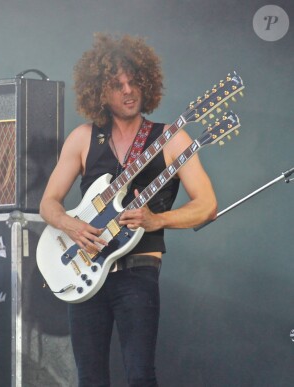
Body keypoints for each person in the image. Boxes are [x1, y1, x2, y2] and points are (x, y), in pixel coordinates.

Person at [39, 33, 217, 386]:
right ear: (100, 92)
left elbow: (208, 206)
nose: (128, 91)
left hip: (138, 271)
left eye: (134, 82)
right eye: (117, 84)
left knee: (139, 375)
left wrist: (157, 219)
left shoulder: (171, 138)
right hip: (84, 271)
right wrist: (71, 226)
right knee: (90, 378)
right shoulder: (83, 138)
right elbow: (48, 203)